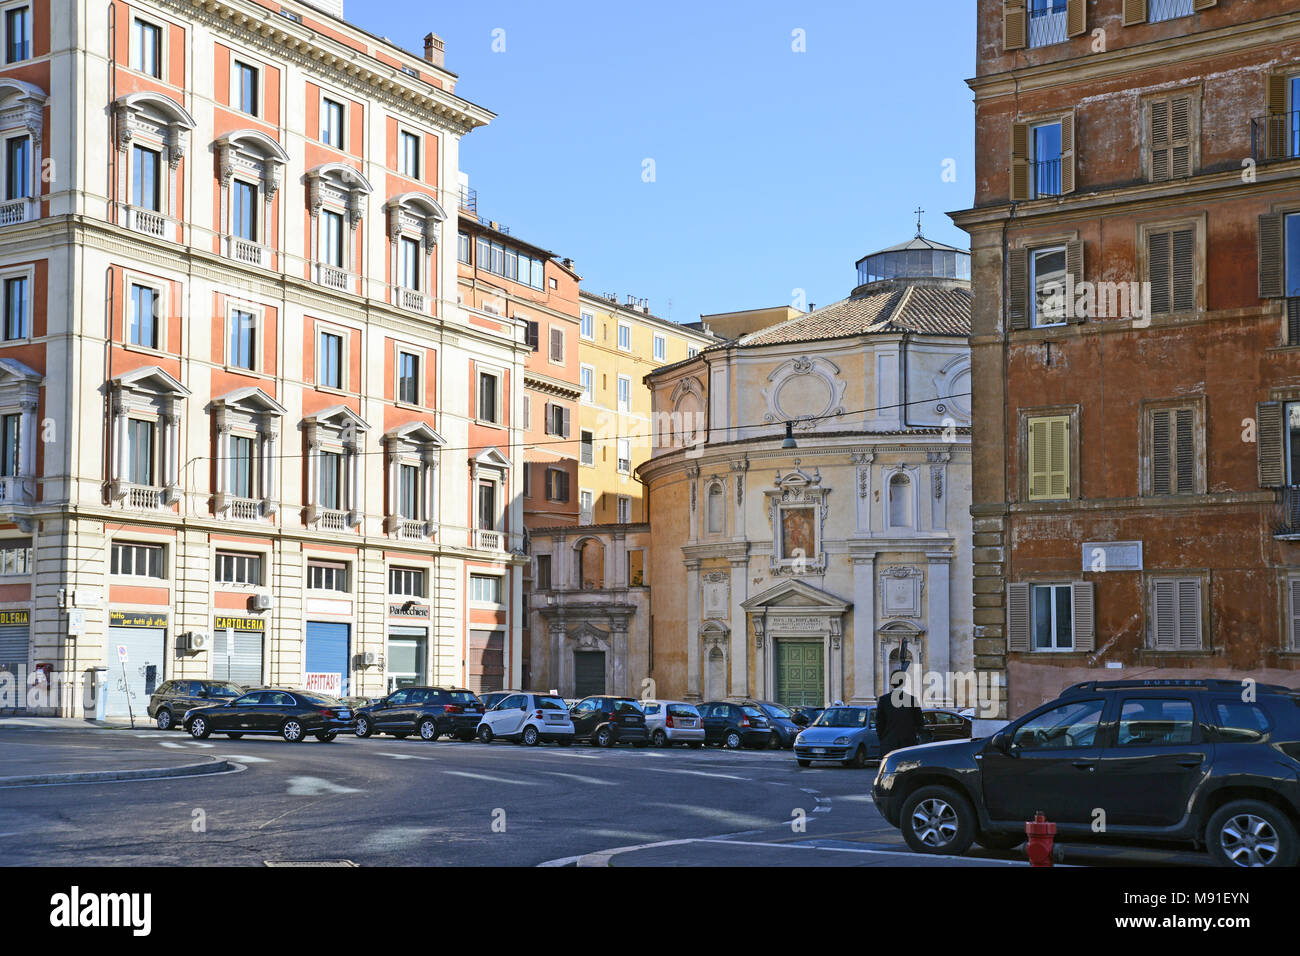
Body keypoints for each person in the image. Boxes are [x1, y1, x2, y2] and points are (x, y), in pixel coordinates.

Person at [876, 670, 926, 756]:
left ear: (891, 683)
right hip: (908, 744)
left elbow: (879, 724)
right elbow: (920, 722)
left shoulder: (884, 700)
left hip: (889, 744)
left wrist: (884, 739)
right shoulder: (912, 700)